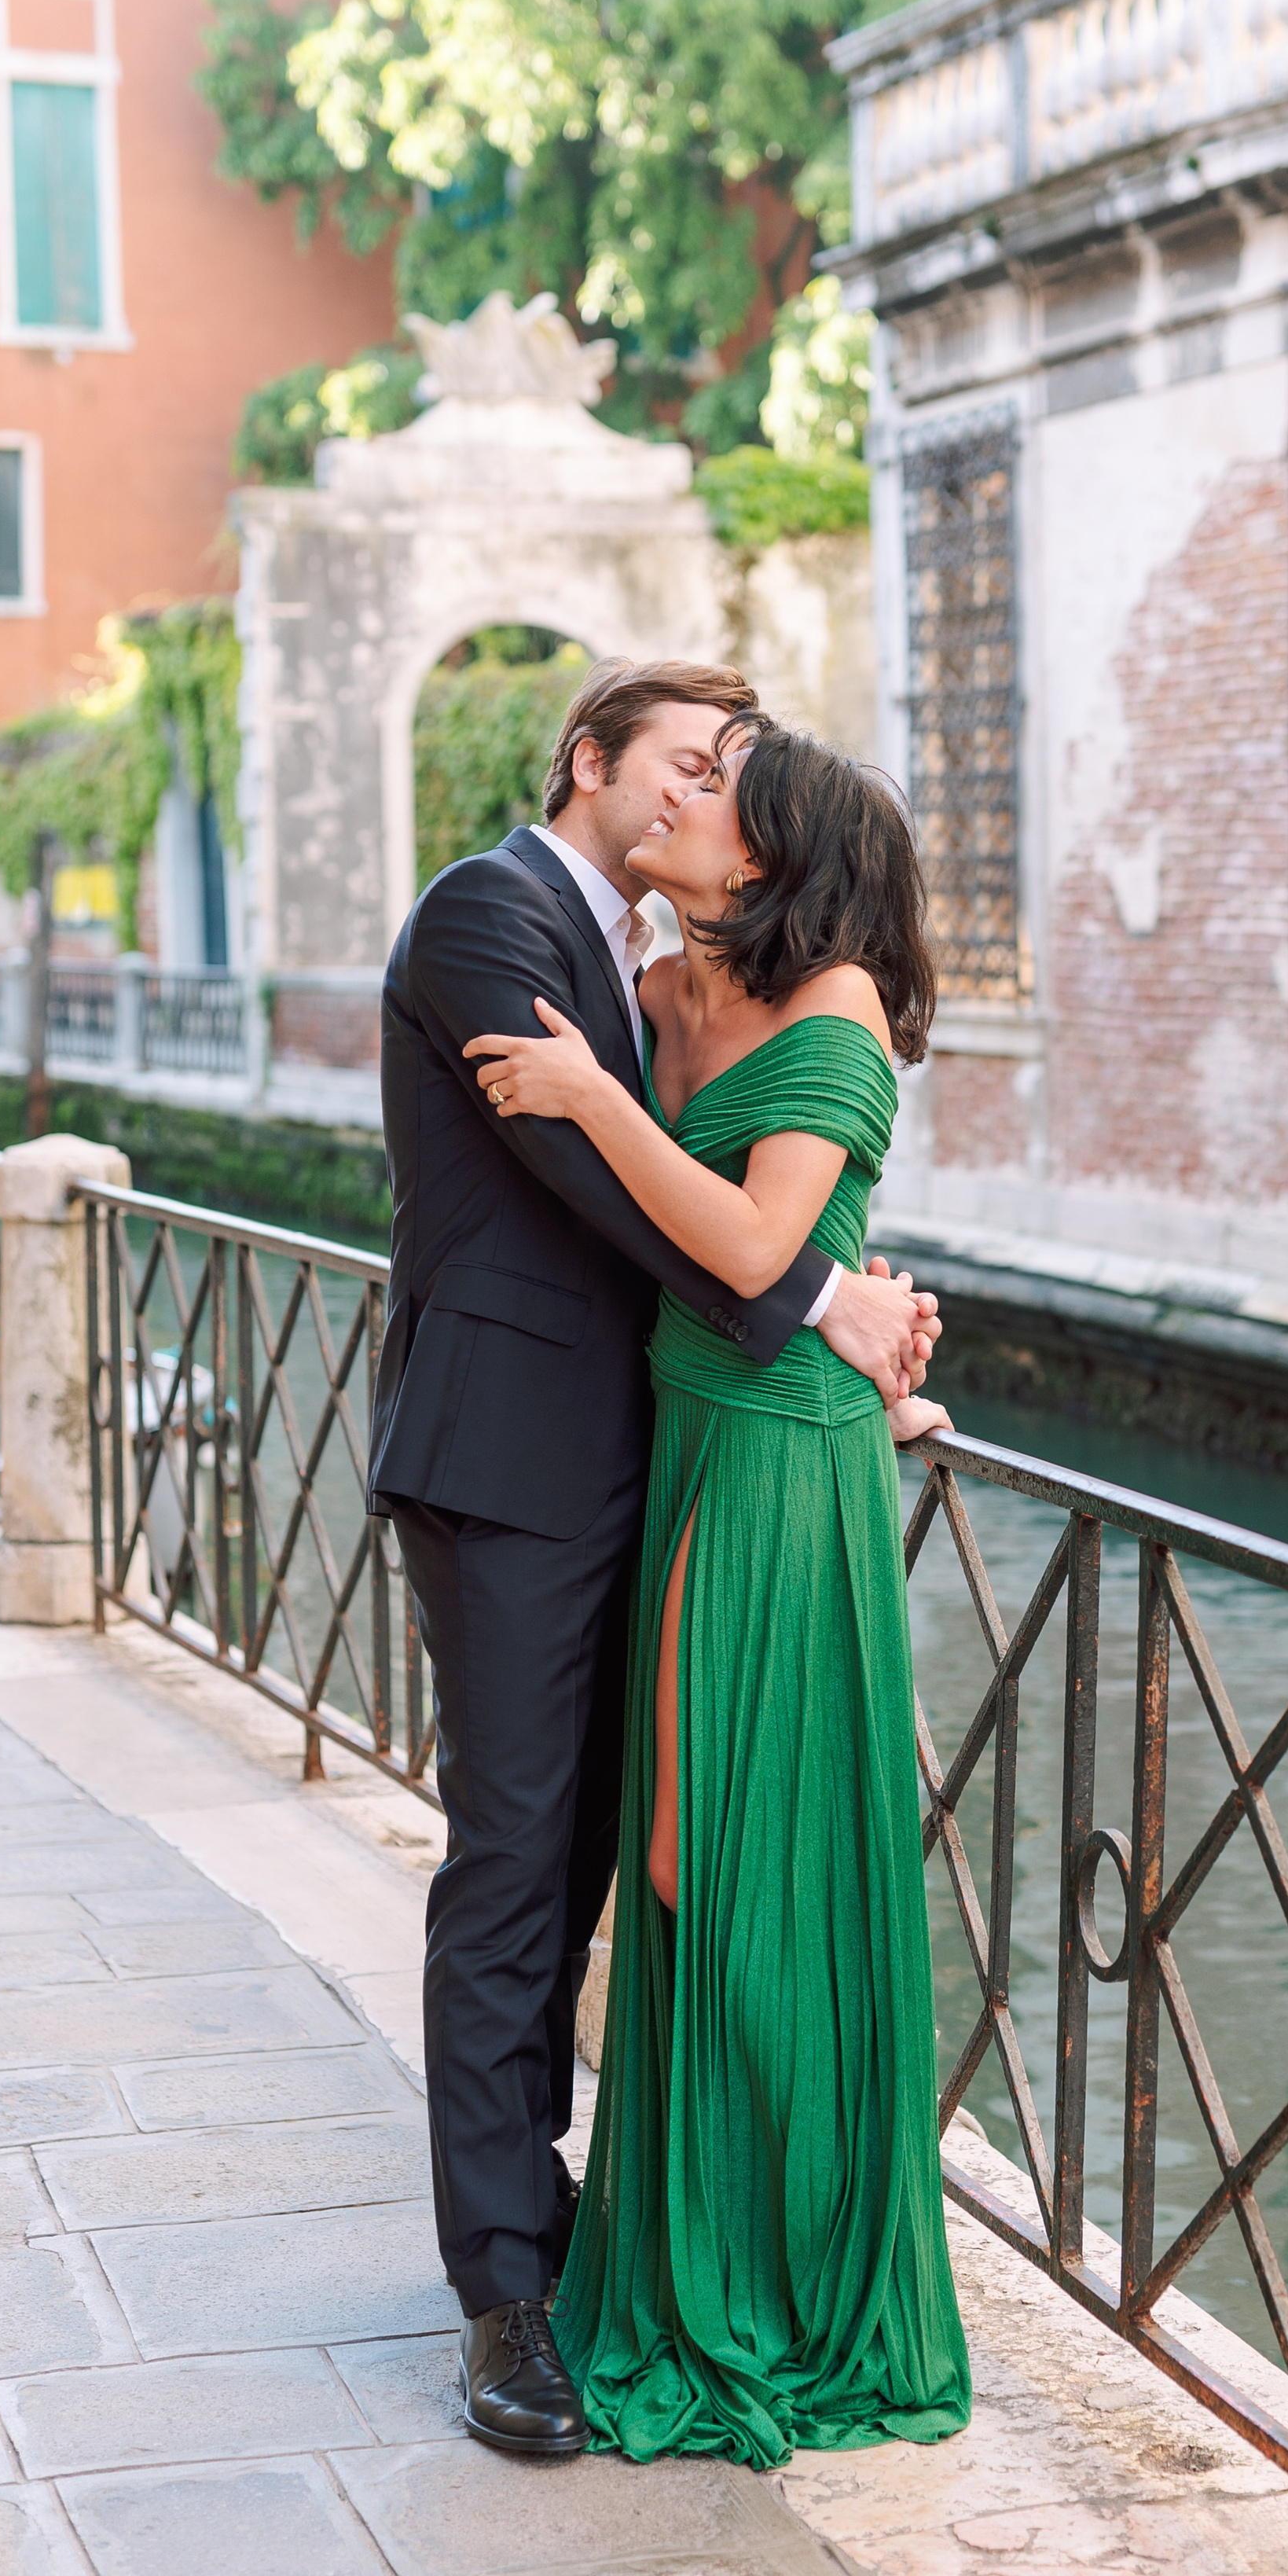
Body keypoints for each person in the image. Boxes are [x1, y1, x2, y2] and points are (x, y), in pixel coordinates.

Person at [369, 657, 943, 2460]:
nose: (700, 788)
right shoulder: (491, 911)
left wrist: (835, 1312)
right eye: (681, 763)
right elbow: (598, 1192)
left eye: (726, 772)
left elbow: (747, 1160)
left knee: (653, 1859)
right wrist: (826, 1297)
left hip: (674, 1464)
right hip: (521, 1466)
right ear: (592, 763)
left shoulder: (674, 969)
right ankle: (505, 2291)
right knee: (522, 1864)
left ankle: (715, 2236)